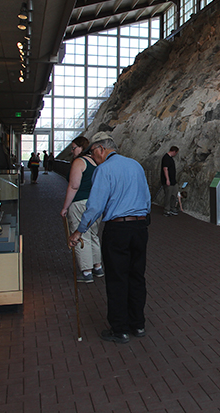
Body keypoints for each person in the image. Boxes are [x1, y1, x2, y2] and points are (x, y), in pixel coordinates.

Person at [69, 132, 151, 344]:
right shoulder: (136, 165)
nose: (94, 158)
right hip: (140, 227)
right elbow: (147, 198)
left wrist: (79, 231)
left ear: (100, 149)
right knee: (137, 276)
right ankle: (138, 324)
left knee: (117, 279)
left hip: (118, 229)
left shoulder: (104, 169)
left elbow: (95, 205)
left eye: (93, 153)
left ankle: (120, 329)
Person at [61, 136, 103, 283]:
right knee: (93, 235)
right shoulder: (97, 162)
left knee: (80, 236)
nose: (72, 151)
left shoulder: (80, 162)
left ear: (81, 147)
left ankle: (86, 271)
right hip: (96, 203)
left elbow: (74, 186)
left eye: (74, 148)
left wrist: (65, 207)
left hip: (80, 203)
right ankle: (97, 266)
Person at [160, 146, 179, 216]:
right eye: (176, 153)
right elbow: (165, 169)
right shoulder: (166, 158)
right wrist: (167, 179)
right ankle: (166, 209)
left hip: (173, 181)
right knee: (168, 195)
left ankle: (172, 207)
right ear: (174, 152)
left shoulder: (170, 158)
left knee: (174, 194)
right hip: (168, 181)